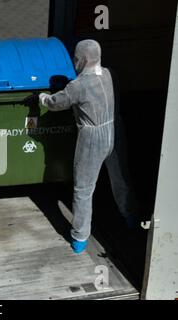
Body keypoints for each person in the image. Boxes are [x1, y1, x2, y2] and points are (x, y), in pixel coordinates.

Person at [37, 39, 138, 254]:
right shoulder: (112, 74)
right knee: (120, 178)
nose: (74, 62)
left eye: (75, 58)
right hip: (115, 130)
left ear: (82, 60)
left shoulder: (78, 86)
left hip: (93, 138)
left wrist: (43, 98)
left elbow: (57, 103)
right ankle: (130, 216)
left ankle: (80, 238)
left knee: (83, 189)